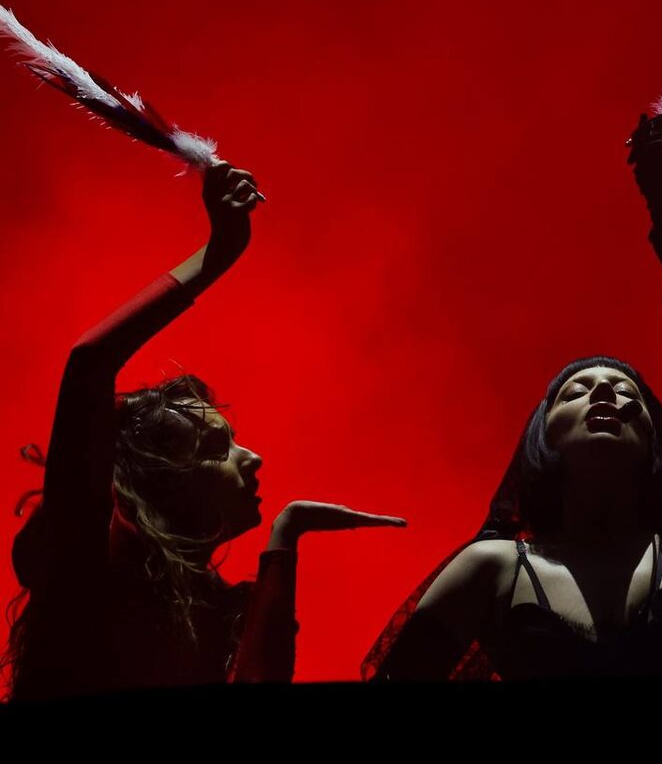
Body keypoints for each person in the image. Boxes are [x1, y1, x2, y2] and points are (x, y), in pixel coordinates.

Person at [364, 114, 662, 679]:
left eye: (629, 394)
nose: (606, 393)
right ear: (542, 437)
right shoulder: (491, 569)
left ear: (656, 442)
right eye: (577, 391)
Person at [4, 162, 406, 700]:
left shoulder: (220, 608)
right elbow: (89, 364)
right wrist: (221, 252)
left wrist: (285, 538)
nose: (253, 457)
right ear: (165, 479)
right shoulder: (86, 565)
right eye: (216, 447)